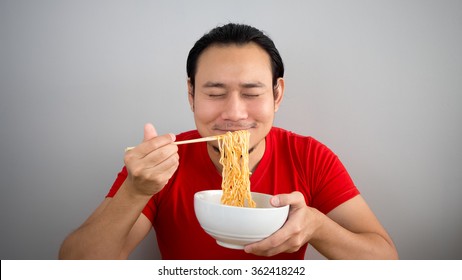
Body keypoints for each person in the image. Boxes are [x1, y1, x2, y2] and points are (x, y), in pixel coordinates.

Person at [59, 23, 398, 260]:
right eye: (215, 93)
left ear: (277, 94)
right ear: (191, 94)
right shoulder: (160, 163)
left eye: (252, 92)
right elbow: (77, 264)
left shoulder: (308, 157)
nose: (235, 113)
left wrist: (316, 226)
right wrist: (135, 190)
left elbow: (385, 261)